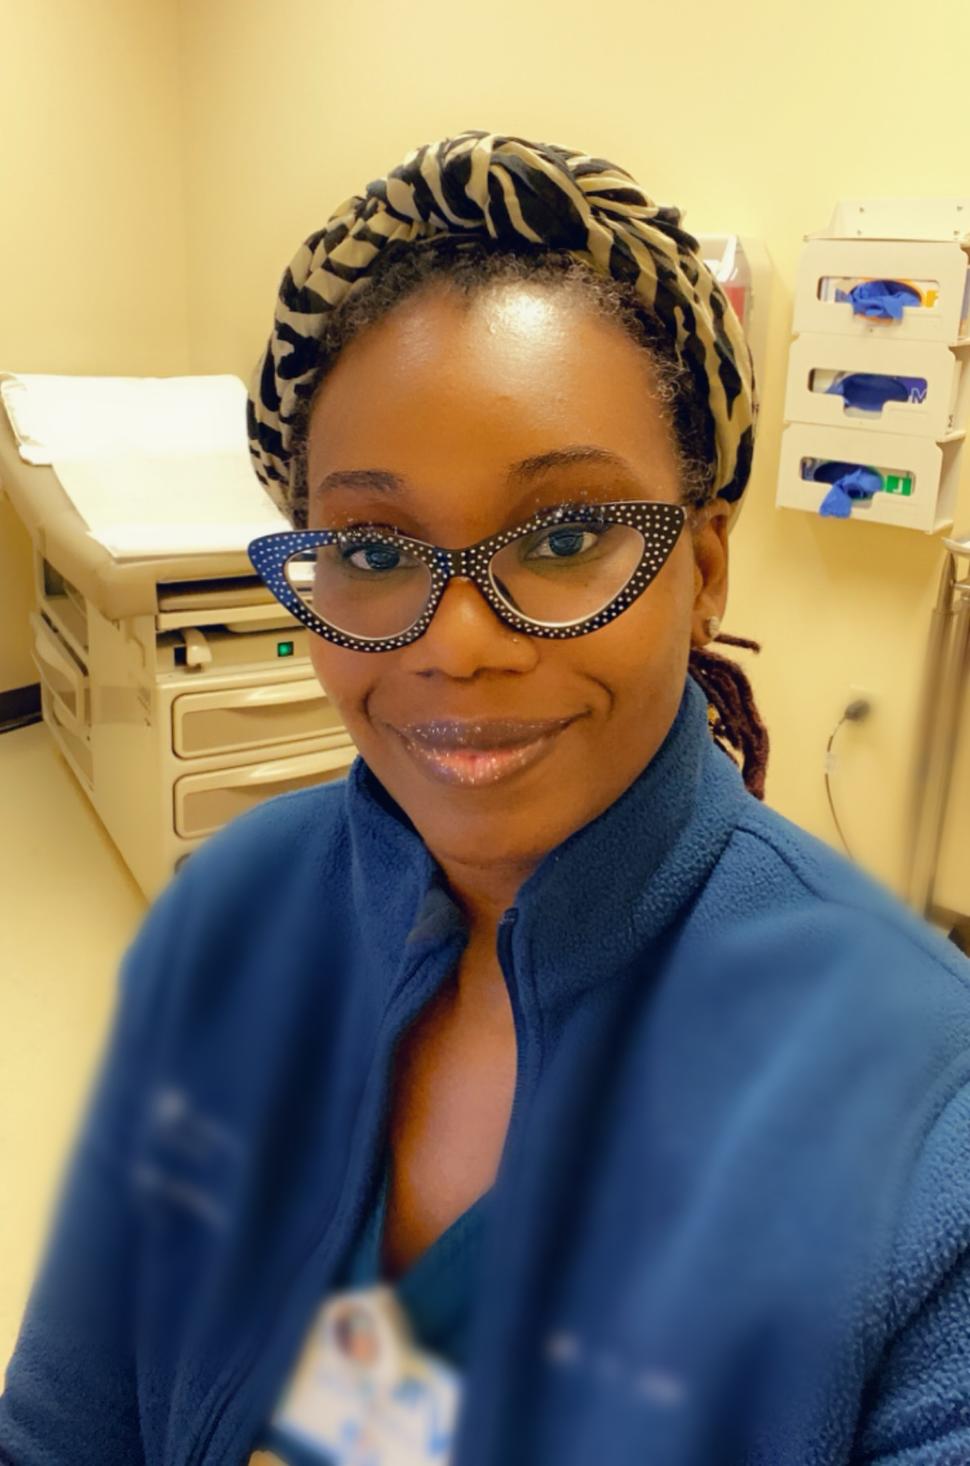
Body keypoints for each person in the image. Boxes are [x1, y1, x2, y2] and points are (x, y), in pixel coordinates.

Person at [2, 129, 970, 1466]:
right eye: (374, 546)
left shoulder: (924, 1113)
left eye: (567, 535)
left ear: (703, 567)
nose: (453, 640)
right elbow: (66, 1417)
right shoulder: (228, 917)